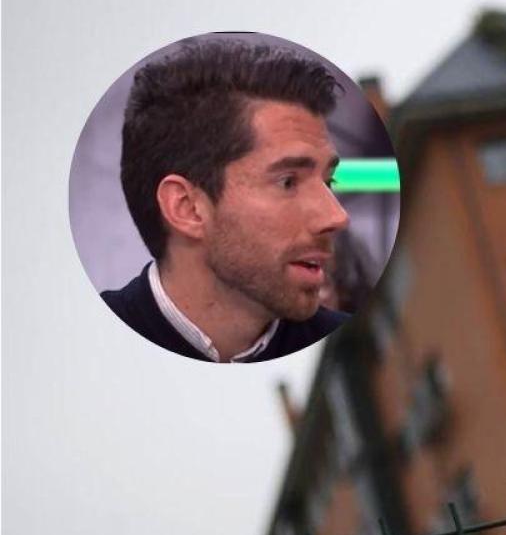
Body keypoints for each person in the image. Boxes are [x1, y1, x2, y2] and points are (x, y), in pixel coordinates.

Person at [102, 39, 351, 363]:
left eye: (329, 182)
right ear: (186, 208)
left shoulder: (348, 350)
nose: (336, 216)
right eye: (288, 182)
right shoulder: (86, 348)